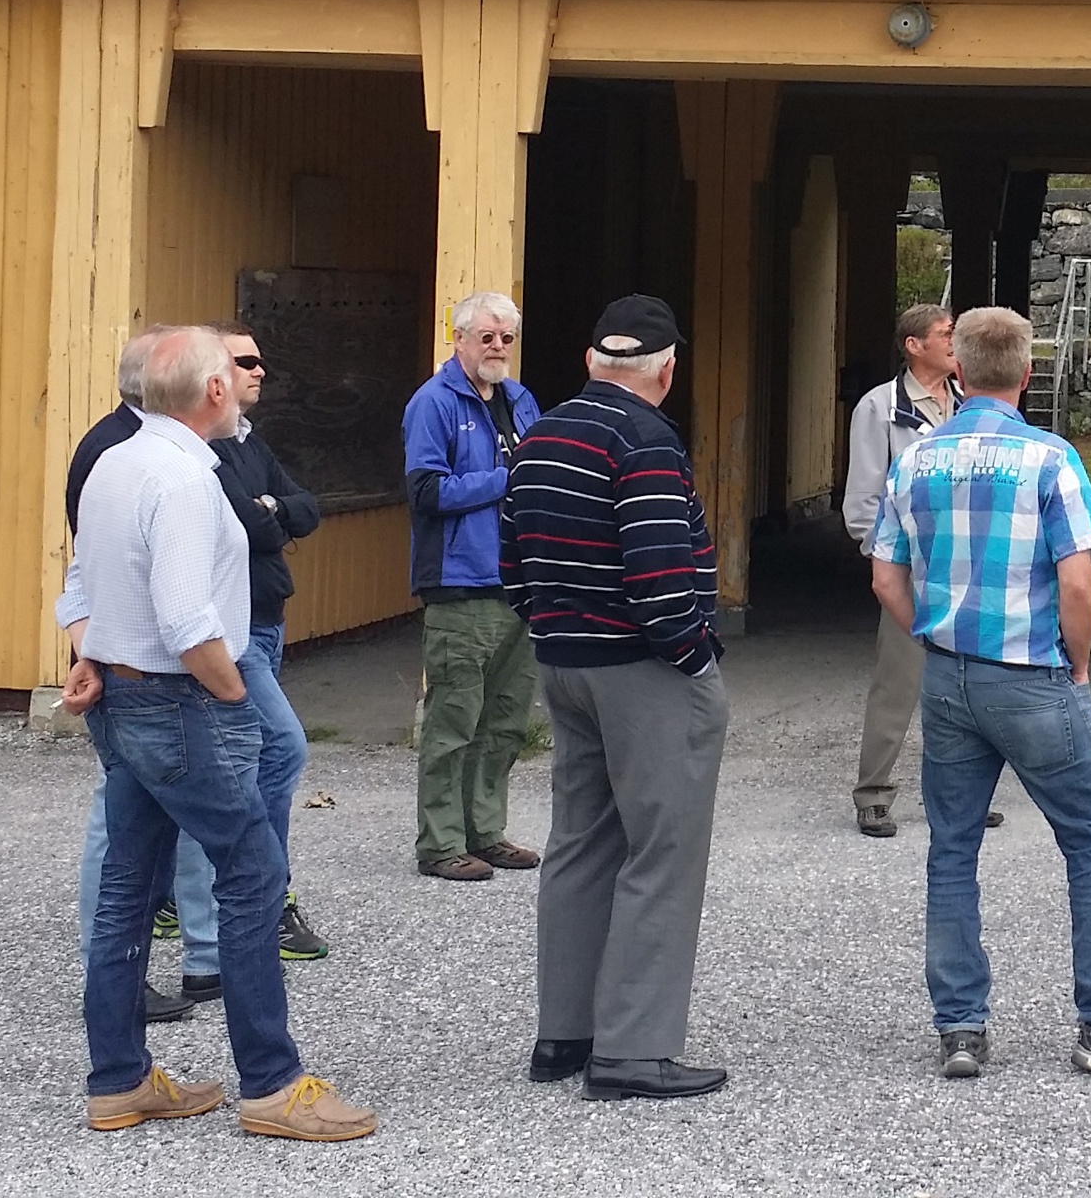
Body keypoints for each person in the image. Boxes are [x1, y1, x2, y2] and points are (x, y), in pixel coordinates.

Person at [61, 325, 375, 1141]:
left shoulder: (114, 461)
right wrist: (232, 692)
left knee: (129, 885)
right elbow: (184, 617)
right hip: (181, 701)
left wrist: (91, 651)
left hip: (123, 697)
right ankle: (271, 1084)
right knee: (252, 873)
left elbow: (82, 579)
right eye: (233, 375)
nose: (244, 384)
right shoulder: (182, 479)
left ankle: (119, 1080)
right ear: (210, 391)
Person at [872, 305, 1091, 1080]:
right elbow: (1077, 583)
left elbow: (884, 576)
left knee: (952, 848)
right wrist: (1076, 665)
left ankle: (960, 1028)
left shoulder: (915, 459)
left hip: (948, 673)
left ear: (958, 370)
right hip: (1032, 673)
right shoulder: (1049, 458)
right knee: (1089, 841)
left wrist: (931, 634)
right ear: (1026, 372)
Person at [502, 294, 732, 1103]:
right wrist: (693, 654)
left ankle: (563, 1033)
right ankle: (634, 1049)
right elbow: (659, 568)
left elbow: (511, 560)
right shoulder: (644, 439)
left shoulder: (540, 434)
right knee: (661, 854)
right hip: (642, 668)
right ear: (667, 370)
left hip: (563, 659)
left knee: (580, 842)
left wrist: (553, 629)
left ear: (591, 361)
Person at [62, 326, 202, 1024]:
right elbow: (87, 573)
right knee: (122, 828)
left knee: (147, 824)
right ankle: (113, 974)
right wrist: (89, 652)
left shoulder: (161, 450)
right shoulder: (118, 452)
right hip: (135, 672)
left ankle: (140, 975)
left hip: (136, 666)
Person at [843, 303, 1003, 839]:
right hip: (912, 566)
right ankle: (873, 794)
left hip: (970, 564)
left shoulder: (969, 403)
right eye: (945, 333)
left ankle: (966, 795)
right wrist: (885, 559)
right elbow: (863, 499)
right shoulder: (879, 407)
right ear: (914, 346)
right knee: (899, 680)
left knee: (972, 682)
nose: (955, 341)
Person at [404, 291, 546, 883]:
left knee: (506, 719)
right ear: (459, 338)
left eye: (506, 338)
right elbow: (426, 492)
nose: (498, 347)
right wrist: (503, 479)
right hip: (460, 585)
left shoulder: (520, 399)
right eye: (486, 336)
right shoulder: (433, 402)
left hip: (517, 581)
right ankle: (441, 843)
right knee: (453, 721)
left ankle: (485, 831)